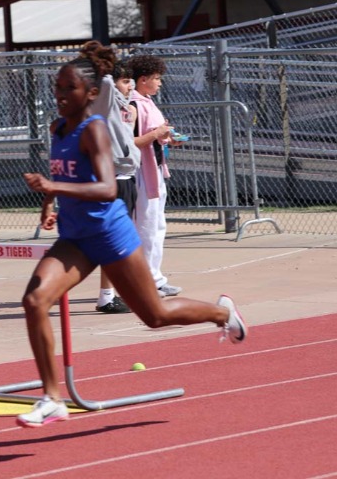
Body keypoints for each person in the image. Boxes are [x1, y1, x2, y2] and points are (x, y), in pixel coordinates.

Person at [17, 48, 247, 428]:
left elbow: (107, 189)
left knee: (155, 315)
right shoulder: (58, 129)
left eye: (69, 87)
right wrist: (48, 201)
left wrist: (53, 187)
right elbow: (63, 172)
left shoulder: (94, 130)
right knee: (35, 300)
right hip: (75, 238)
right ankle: (52, 399)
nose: (60, 94)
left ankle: (223, 313)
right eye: (57, 86)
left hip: (109, 235)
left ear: (91, 93)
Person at [87, 42, 140, 314]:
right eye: (125, 81)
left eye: (131, 81)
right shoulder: (105, 100)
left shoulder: (125, 105)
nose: (130, 86)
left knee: (121, 239)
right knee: (112, 240)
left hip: (126, 177)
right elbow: (107, 82)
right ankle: (107, 296)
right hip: (114, 179)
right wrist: (107, 62)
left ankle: (115, 291)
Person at [128, 55, 180, 298]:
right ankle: (143, 282)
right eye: (156, 78)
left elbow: (155, 135)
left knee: (157, 225)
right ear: (143, 79)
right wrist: (157, 133)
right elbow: (130, 142)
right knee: (145, 227)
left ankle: (155, 278)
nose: (160, 83)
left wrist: (168, 138)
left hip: (156, 169)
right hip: (141, 172)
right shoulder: (132, 105)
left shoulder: (147, 101)